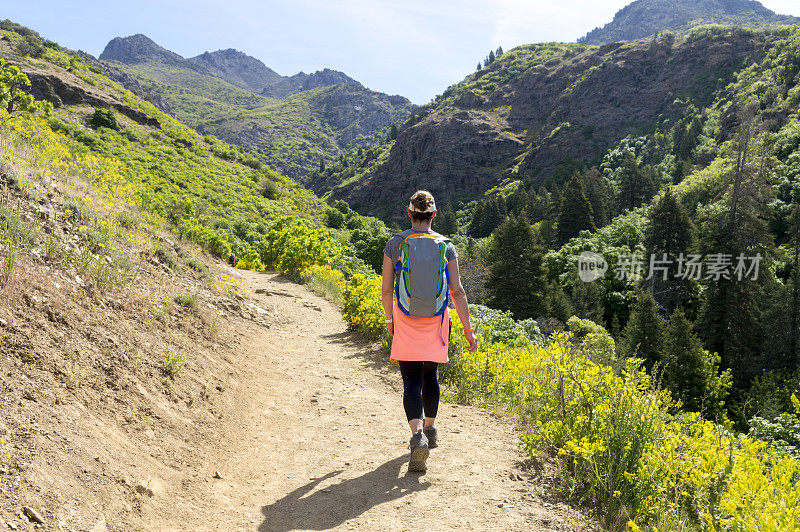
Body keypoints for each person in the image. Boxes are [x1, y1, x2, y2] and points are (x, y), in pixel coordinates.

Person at [381, 190, 478, 472]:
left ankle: (417, 435)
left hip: (405, 317)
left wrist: (390, 320)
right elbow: (457, 291)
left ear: (409, 213)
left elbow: (387, 289)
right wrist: (468, 329)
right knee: (430, 374)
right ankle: (432, 428)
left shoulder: (395, 244)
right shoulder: (445, 245)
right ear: (434, 215)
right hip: (437, 320)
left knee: (410, 379)